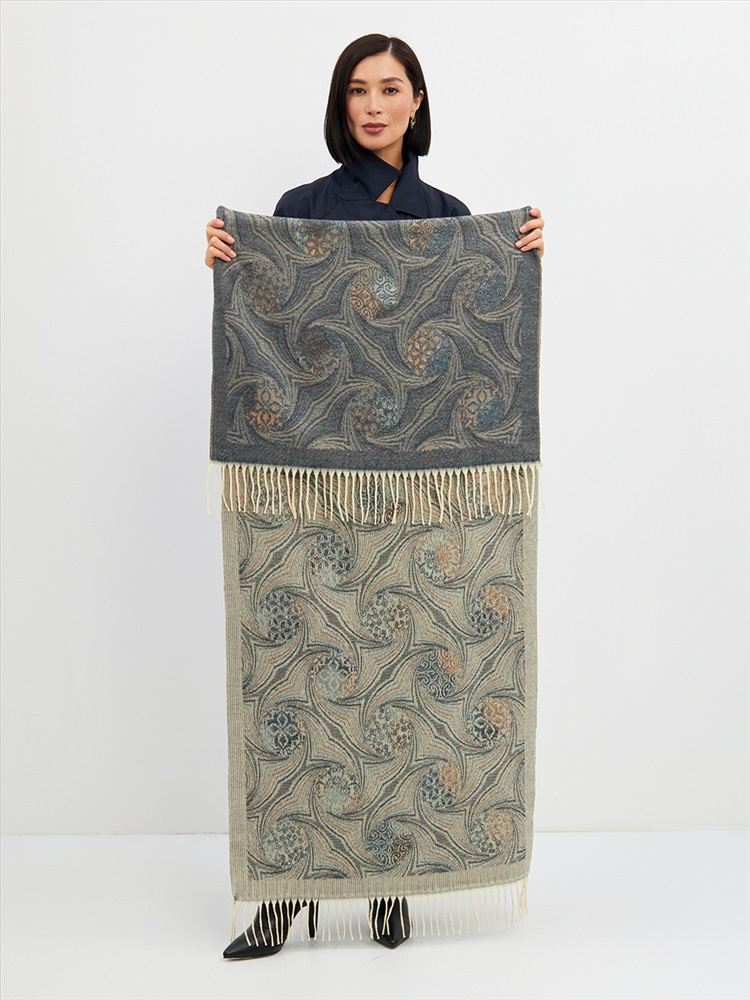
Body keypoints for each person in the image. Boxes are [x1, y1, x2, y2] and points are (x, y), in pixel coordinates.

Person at [204, 33, 546, 960]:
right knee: (298, 673)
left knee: (412, 672)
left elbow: (474, 338)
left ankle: (394, 884)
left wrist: (518, 258)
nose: (373, 106)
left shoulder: (450, 219)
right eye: (358, 90)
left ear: (417, 101)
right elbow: (277, 315)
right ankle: (282, 899)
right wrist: (232, 259)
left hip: (419, 500)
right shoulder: (300, 211)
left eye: (391, 89)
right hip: (311, 492)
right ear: (341, 104)